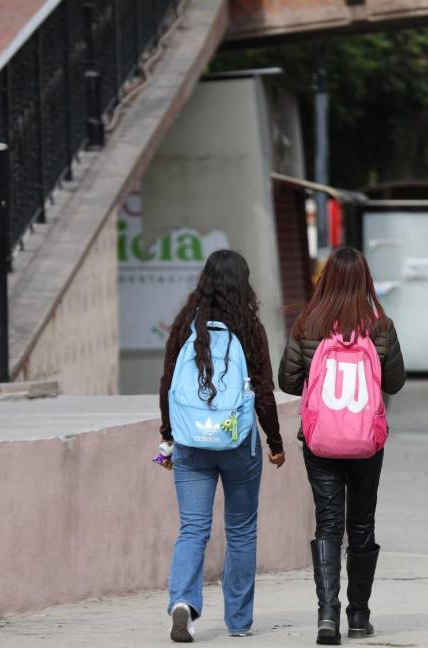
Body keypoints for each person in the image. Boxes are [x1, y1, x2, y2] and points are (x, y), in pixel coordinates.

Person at [279, 247, 406, 644]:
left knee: (328, 523)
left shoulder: (308, 324)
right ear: (365, 280)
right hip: (367, 442)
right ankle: (359, 616)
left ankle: (327, 616)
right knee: (362, 524)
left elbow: (286, 381)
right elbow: (395, 382)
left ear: (326, 279)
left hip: (320, 442)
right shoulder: (380, 326)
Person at [158, 250, 286, 643]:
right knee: (242, 530)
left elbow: (168, 384)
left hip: (191, 444)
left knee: (193, 529)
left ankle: (183, 603)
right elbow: (263, 392)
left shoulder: (185, 325)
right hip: (237, 443)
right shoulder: (250, 327)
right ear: (243, 283)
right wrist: (275, 441)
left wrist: (168, 435)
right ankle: (239, 621)